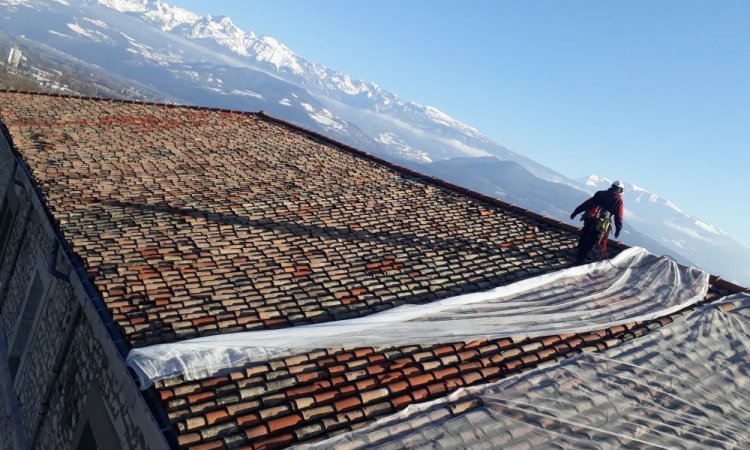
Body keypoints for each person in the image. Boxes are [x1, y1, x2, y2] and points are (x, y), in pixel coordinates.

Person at [570, 180, 625, 264]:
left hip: (589, 219)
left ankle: (579, 254)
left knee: (584, 235)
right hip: (601, 224)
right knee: (595, 241)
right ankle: (583, 259)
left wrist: (576, 212)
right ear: (621, 190)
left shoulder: (600, 193)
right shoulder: (618, 201)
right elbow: (618, 217)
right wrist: (618, 229)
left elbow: (587, 203)